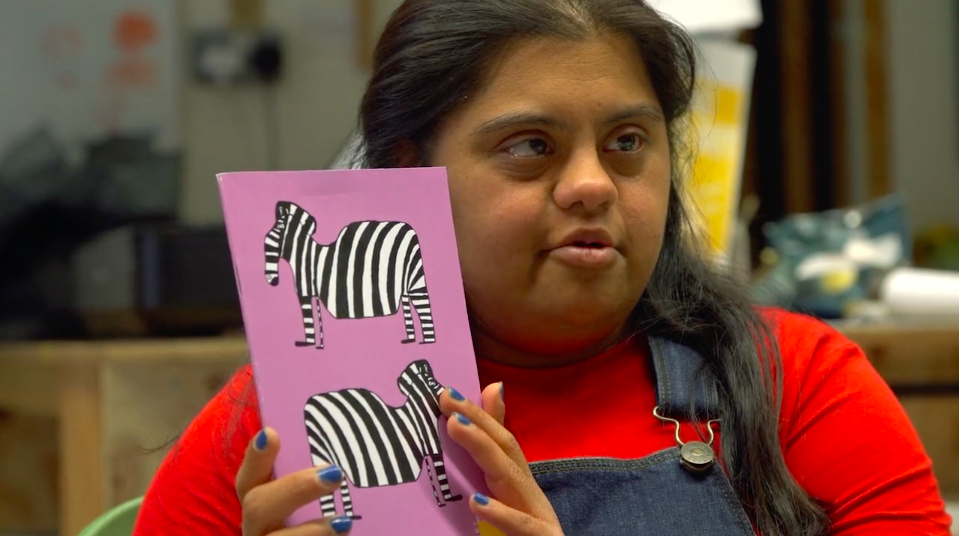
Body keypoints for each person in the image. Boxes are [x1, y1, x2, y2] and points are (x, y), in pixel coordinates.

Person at [133, 1, 952, 534]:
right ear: (409, 171)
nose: (593, 184)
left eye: (627, 142)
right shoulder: (285, 428)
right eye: (530, 147)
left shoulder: (798, 384)